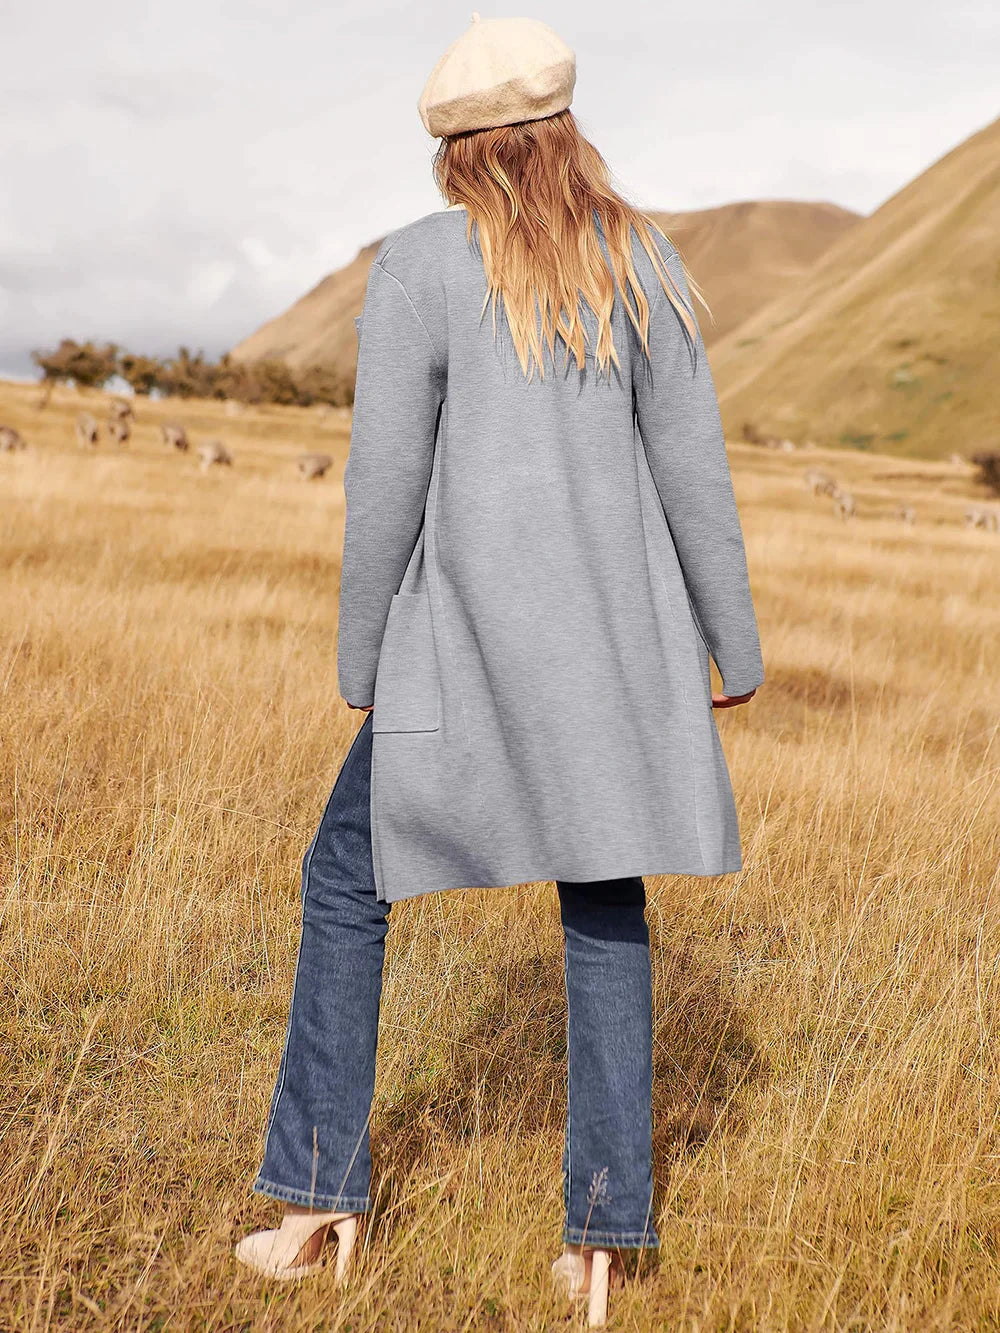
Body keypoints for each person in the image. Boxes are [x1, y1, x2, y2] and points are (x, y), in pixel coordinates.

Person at [235, 14, 763, 1326]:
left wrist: (363, 658)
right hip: (614, 659)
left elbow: (383, 488)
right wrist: (731, 646)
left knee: (346, 879)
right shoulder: (641, 258)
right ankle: (600, 1243)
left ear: (463, 155)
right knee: (604, 908)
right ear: (564, 130)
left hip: (460, 652)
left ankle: (317, 1201)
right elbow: (695, 470)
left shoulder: (417, 267)